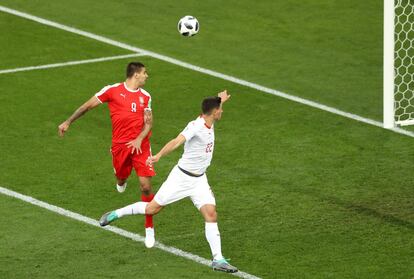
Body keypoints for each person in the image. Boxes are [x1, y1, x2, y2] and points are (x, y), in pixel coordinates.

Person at [99, 90, 238, 273]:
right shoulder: (196, 126)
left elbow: (211, 107)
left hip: (199, 180)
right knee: (152, 209)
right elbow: (176, 141)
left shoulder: (208, 118)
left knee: (211, 214)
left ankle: (218, 259)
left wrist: (221, 100)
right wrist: (158, 156)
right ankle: (117, 213)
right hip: (181, 178)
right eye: (220, 110)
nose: (222, 112)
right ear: (214, 112)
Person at [58, 62, 156, 248]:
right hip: (120, 146)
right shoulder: (112, 91)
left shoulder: (146, 96)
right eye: (144, 73)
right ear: (135, 74)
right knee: (120, 178)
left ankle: (149, 229)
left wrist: (139, 139)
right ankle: (121, 180)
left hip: (141, 146)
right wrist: (68, 121)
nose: (146, 76)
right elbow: (87, 106)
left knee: (145, 186)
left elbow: (148, 123)